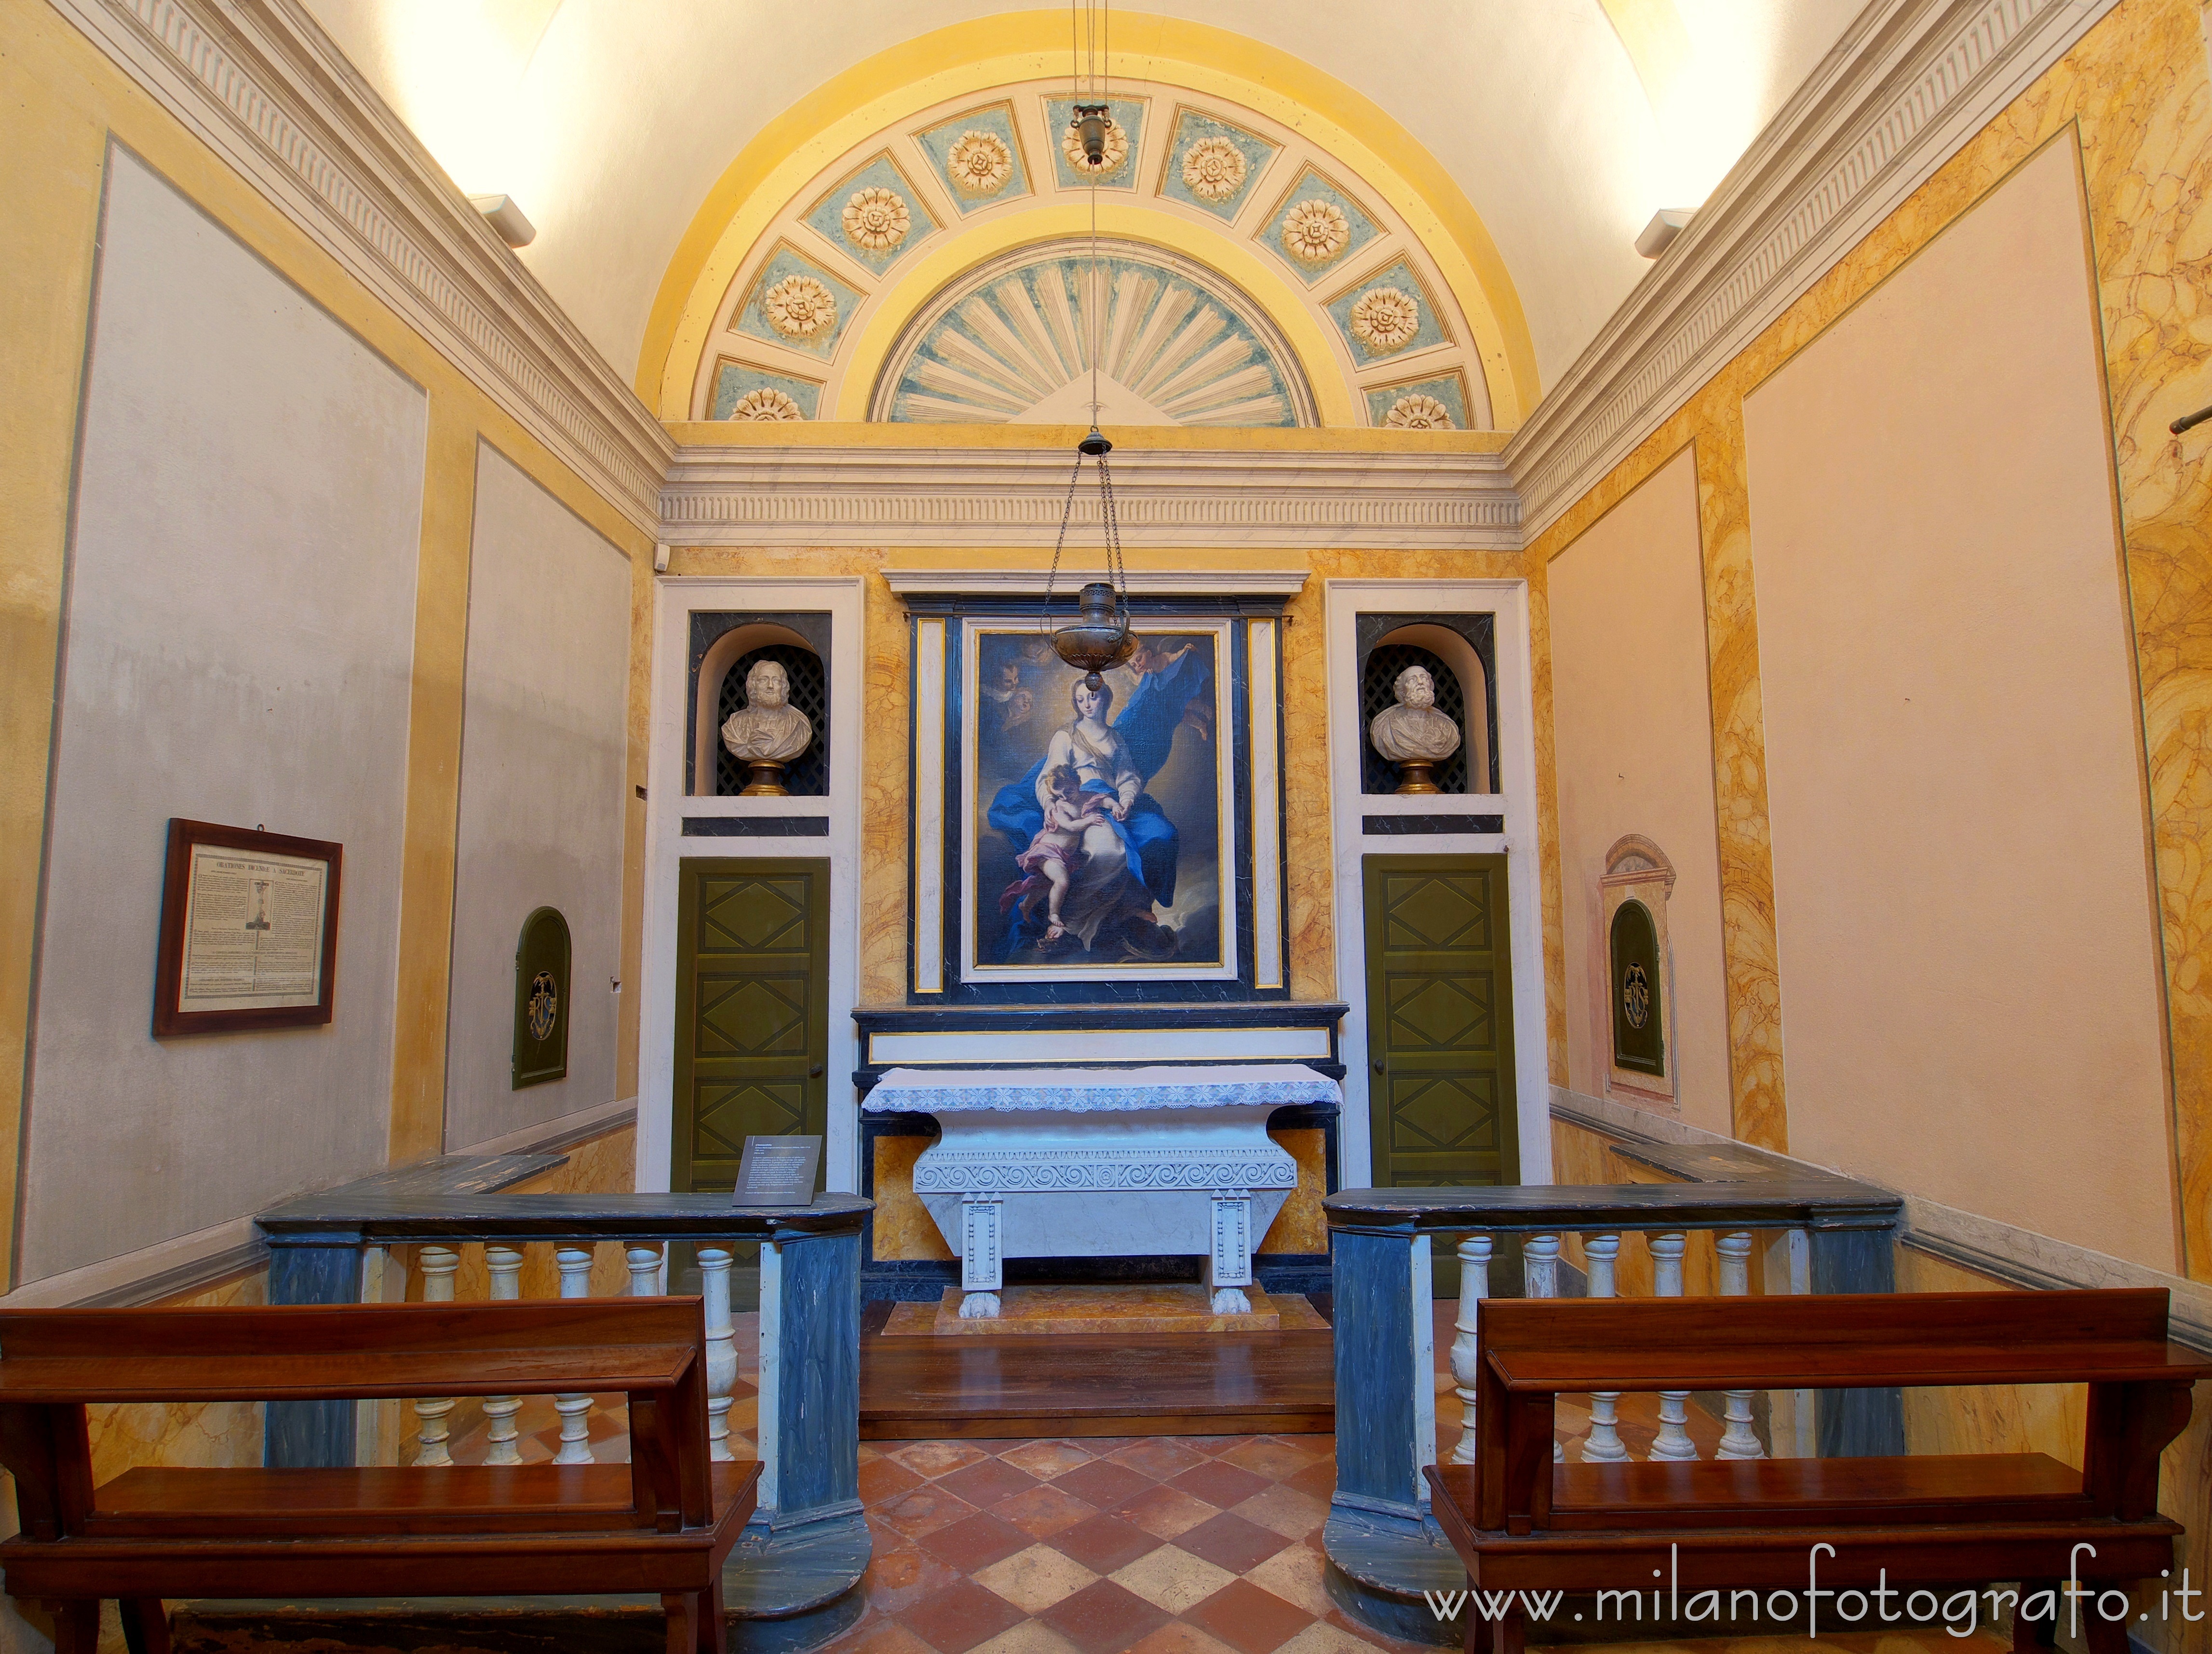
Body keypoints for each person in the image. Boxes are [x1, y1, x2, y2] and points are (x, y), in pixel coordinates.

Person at [998, 764, 1107, 940]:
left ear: (1077, 782)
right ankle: (1054, 914)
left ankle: (1026, 905)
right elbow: (1071, 827)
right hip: (1048, 851)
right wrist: (1089, 820)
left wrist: (1116, 805)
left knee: (1046, 884)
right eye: (1059, 795)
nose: (1065, 797)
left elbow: (1103, 799)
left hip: (1063, 857)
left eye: (1069, 791)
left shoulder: (1086, 796)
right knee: (1062, 882)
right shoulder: (1059, 807)